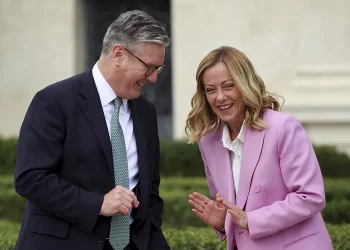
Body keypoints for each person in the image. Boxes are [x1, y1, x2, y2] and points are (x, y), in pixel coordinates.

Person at [14, 10, 170, 250]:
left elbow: (150, 189)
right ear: (118, 54)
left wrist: (151, 237)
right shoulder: (54, 101)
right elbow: (30, 178)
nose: (153, 79)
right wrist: (98, 203)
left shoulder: (146, 111)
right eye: (149, 67)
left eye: (157, 69)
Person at [186, 46, 333, 250]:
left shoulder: (283, 128)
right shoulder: (209, 142)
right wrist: (223, 223)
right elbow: (235, 213)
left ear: (245, 85)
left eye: (228, 86)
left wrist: (252, 221)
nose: (219, 97)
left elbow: (310, 197)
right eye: (211, 89)